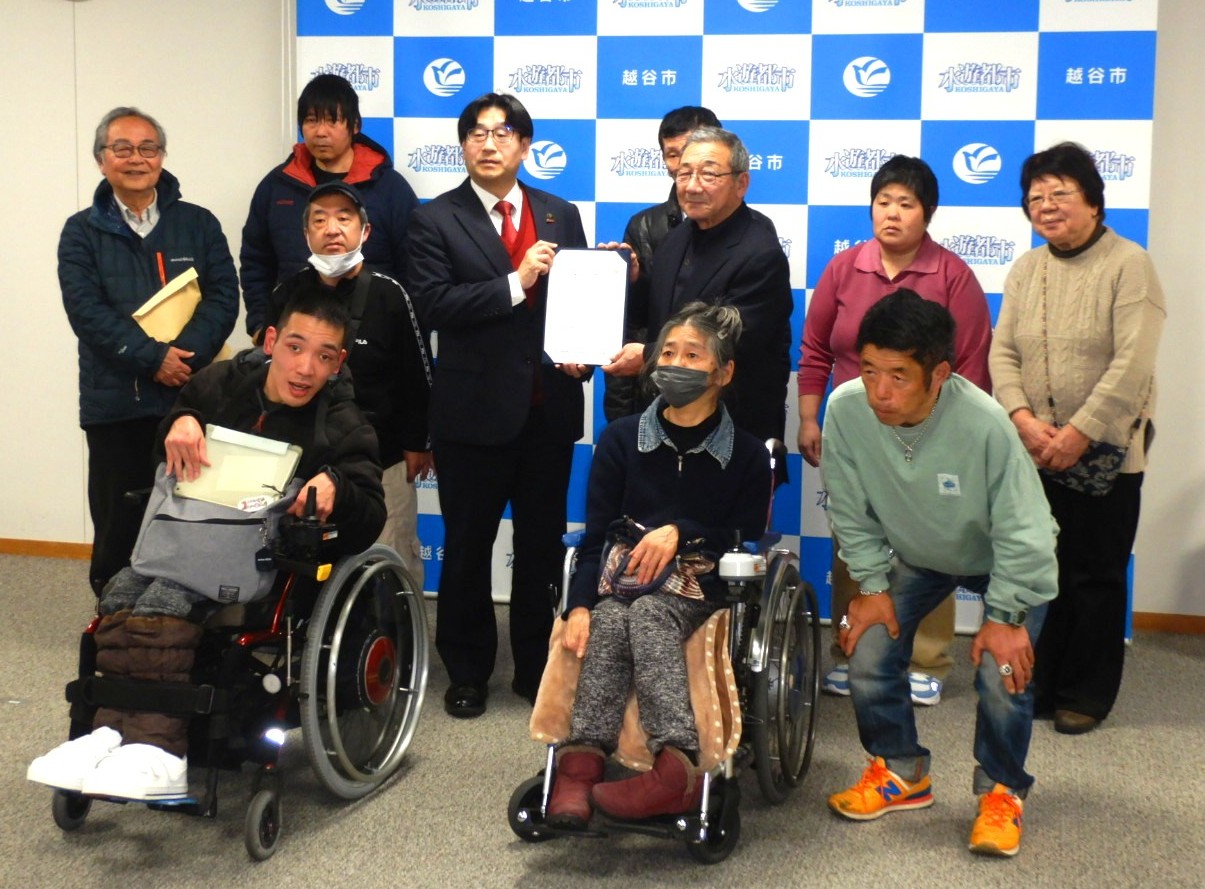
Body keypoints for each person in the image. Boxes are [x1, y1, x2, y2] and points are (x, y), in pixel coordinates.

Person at [28, 292, 386, 800]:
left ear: (338, 363)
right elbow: (167, 448)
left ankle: (159, 750)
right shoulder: (219, 386)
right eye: (295, 347)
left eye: (324, 356)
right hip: (184, 537)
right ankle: (109, 731)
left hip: (262, 562)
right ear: (270, 341)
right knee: (120, 596)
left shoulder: (344, 425)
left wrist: (337, 486)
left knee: (163, 605)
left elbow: (370, 514)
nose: (306, 368)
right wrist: (180, 423)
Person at [821, 289, 1057, 858]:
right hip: (919, 555)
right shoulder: (846, 410)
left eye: (899, 376)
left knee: (1003, 671)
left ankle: (1002, 791)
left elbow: (1025, 530)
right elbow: (849, 510)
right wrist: (871, 586)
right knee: (867, 648)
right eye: (869, 370)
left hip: (1003, 561)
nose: (879, 391)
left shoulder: (984, 422)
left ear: (940, 374)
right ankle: (900, 771)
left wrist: (1006, 616)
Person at [545, 303, 771, 829]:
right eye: (667, 353)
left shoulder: (746, 454)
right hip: (622, 579)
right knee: (608, 618)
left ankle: (676, 766)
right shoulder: (621, 439)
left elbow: (745, 535)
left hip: (702, 584)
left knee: (648, 613)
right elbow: (596, 536)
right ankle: (581, 764)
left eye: (692, 355)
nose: (674, 364)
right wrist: (580, 605)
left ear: (724, 372)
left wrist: (681, 532)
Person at [405, 92, 589, 718]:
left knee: (541, 548)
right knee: (466, 548)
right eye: (477, 134)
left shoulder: (560, 213)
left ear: (524, 145)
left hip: (548, 412)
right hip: (471, 415)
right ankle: (467, 670)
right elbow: (433, 305)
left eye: (503, 133)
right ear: (463, 145)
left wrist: (583, 354)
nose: (489, 144)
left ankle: (536, 666)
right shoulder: (434, 219)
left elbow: (575, 306)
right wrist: (517, 281)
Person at [797, 154, 993, 706]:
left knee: (929, 542)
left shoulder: (952, 275)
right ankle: (852, 651)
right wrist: (810, 417)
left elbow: (971, 366)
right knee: (853, 541)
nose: (892, 213)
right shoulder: (844, 269)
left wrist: (955, 440)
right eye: (883, 202)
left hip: (929, 435)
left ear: (927, 213)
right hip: (855, 432)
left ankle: (926, 657)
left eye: (906, 204)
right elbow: (815, 350)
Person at [989, 142, 1165, 736]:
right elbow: (1002, 352)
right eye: (1036, 196)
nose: (1046, 205)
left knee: (1094, 573)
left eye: (1060, 193)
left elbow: (1132, 363)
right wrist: (1022, 418)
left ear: (1093, 201)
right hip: (1033, 447)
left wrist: (1079, 432)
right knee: (1043, 570)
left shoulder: (1129, 264)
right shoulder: (1026, 268)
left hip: (1107, 450)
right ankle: (1041, 681)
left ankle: (1086, 692)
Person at [59, 106, 239, 598]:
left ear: (162, 156)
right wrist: (152, 360)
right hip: (118, 404)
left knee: (196, 519)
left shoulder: (198, 223)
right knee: (120, 522)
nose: (136, 158)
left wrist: (186, 357)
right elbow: (86, 312)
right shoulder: (80, 232)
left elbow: (225, 297)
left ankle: (184, 625)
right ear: (101, 159)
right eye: (122, 148)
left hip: (194, 398)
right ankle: (115, 623)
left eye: (148, 148)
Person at [266, 181, 433, 587]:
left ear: (365, 231)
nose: (332, 229)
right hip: (300, 458)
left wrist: (417, 443)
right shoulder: (288, 293)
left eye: (344, 218)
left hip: (381, 457)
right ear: (306, 233)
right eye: (319, 220)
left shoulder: (391, 294)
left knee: (389, 561)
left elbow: (417, 374)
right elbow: (270, 373)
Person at [603, 126, 793, 444]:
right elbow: (660, 314)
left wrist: (649, 355)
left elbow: (730, 342)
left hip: (731, 426)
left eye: (708, 174)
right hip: (669, 418)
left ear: (741, 183)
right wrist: (634, 280)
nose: (692, 186)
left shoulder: (760, 252)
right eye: (684, 173)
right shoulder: (676, 238)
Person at [239, 73, 419, 343]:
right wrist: (259, 323)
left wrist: (404, 327)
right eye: (311, 120)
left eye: (332, 121)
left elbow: (414, 266)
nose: (320, 132)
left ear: (354, 125)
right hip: (297, 332)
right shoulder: (277, 186)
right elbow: (256, 260)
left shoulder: (389, 188)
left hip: (374, 333)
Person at [602, 106, 721, 422]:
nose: (682, 164)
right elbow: (630, 325)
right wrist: (634, 280)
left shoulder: (752, 235)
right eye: (673, 155)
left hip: (719, 397)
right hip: (654, 396)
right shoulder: (643, 225)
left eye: (691, 151)